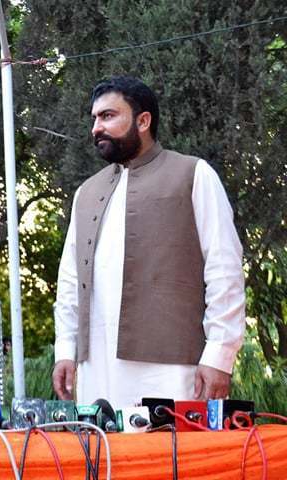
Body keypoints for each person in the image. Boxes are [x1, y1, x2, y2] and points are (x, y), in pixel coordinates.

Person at [51, 76, 245, 408]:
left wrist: (219, 355)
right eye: (94, 118)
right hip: (96, 367)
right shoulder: (86, 193)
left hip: (171, 369)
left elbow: (224, 268)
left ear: (143, 120)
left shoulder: (193, 174)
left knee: (172, 459)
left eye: (108, 116)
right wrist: (66, 351)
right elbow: (70, 281)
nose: (97, 127)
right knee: (102, 457)